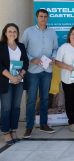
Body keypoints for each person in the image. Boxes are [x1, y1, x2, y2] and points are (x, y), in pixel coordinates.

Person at [21, 8, 58, 138]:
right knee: (31, 100)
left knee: (45, 99)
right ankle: (29, 127)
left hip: (47, 71)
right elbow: (22, 49)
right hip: (32, 71)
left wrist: (53, 57)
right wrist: (32, 59)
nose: (43, 18)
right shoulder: (28, 32)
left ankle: (43, 124)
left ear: (48, 18)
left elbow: (55, 48)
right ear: (37, 17)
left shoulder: (52, 32)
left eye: (45, 16)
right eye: (41, 16)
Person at [0, 23, 29, 145]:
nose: (12, 33)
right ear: (5, 33)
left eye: (14, 31)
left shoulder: (21, 46)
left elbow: (26, 62)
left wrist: (20, 75)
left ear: (17, 33)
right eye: (9, 31)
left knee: (16, 107)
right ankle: (6, 132)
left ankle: (14, 130)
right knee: (6, 108)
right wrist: (11, 77)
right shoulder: (1, 46)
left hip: (19, 80)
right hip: (6, 81)